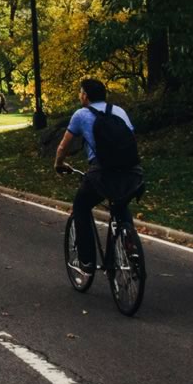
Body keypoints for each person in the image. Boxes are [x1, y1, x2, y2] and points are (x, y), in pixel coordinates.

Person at [50, 78, 143, 273]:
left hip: (102, 173)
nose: (79, 95)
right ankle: (131, 247)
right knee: (120, 203)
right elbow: (131, 141)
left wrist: (59, 165)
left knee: (81, 206)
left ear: (85, 95)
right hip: (132, 172)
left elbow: (62, 147)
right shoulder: (119, 111)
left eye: (80, 92)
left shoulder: (81, 115)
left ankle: (86, 261)